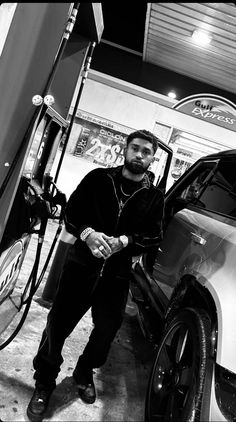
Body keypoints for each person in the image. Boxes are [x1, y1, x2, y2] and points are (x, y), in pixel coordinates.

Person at [27, 129, 165, 421]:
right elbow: (72, 212)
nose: (139, 155)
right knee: (58, 325)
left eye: (146, 152)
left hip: (116, 275)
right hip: (81, 268)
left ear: (152, 159)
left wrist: (125, 241)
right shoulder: (98, 179)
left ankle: (84, 370)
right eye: (135, 148)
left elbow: (153, 237)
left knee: (106, 329)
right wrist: (88, 234)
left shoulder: (154, 197)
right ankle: (45, 380)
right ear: (124, 150)